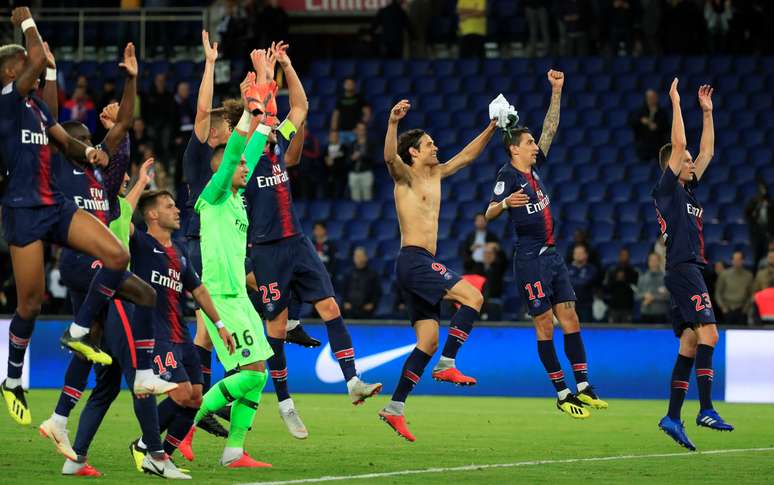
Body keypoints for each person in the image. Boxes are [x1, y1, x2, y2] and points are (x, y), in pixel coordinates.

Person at [1, 8, 131, 426]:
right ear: (9, 71)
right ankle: (14, 376)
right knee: (30, 302)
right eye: (25, 65)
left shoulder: (36, 108)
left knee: (117, 256)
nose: (33, 68)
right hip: (22, 209)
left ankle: (77, 330)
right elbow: (36, 56)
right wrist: (26, 22)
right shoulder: (6, 103)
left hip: (55, 205)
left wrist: (89, 152)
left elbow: (63, 139)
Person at [243, 43, 381, 440]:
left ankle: (352, 380)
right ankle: (285, 402)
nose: (272, 126)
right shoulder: (249, 155)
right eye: (266, 123)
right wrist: (265, 81)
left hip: (297, 241)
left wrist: (286, 65)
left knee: (330, 305)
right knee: (279, 324)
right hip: (267, 248)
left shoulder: (276, 147)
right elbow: (260, 117)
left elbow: (300, 109)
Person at [485, 70, 607, 420]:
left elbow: (550, 129)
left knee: (571, 317)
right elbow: (488, 212)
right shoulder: (507, 176)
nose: (536, 145)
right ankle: (562, 391)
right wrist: (506, 203)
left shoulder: (534, 172)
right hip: (529, 260)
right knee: (545, 325)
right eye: (529, 144)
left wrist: (557, 92)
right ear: (514, 149)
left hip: (553, 258)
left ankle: (583, 386)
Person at [378, 98, 495, 442]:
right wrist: (392, 123)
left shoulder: (437, 173)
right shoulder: (405, 177)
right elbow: (388, 157)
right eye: (429, 144)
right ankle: (448, 364)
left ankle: (395, 408)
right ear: (413, 153)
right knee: (473, 296)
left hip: (420, 262)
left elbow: (468, 156)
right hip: (414, 260)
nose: (436, 147)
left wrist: (490, 127)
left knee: (427, 341)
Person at [182, 78, 275, 468]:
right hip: (220, 295)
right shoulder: (215, 194)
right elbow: (239, 147)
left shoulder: (237, 199)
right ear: (221, 170)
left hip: (239, 297)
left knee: (258, 373)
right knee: (252, 374)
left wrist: (267, 100)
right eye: (237, 165)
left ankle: (234, 451)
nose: (244, 167)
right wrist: (251, 108)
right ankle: (183, 428)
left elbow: (253, 148)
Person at [128, 190, 235, 473]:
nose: (177, 210)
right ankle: (151, 452)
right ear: (152, 214)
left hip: (182, 334)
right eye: (169, 206)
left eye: (175, 205)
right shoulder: (140, 242)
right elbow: (121, 217)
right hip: (155, 335)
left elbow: (198, 289)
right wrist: (137, 184)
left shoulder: (179, 250)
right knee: (181, 393)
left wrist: (220, 325)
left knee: (196, 398)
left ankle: (157, 453)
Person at [654, 79, 733, 452]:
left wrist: (707, 113)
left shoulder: (686, 190)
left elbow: (707, 151)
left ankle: (672, 416)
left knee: (689, 342)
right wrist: (675, 102)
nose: (690, 163)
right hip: (684, 268)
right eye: (683, 162)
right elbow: (684, 146)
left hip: (687, 270)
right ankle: (705, 408)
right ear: (672, 165)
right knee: (711, 335)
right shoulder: (666, 190)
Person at [630, 89, 670, 163]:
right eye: (650, 98)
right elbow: (632, 122)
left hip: (658, 144)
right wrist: (642, 121)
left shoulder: (662, 113)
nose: (652, 100)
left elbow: (667, 127)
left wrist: (657, 127)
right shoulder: (640, 112)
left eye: (654, 97)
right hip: (643, 144)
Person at [714, 250, 753, 325]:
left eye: (739, 259)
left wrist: (746, 308)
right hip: (727, 309)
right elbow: (718, 293)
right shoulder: (724, 275)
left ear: (743, 261)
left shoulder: (749, 276)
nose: (736, 261)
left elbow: (751, 294)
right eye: (735, 259)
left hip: (742, 310)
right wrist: (723, 307)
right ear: (731, 260)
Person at [342, 247, 382, 319]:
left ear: (366, 258)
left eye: (360, 256)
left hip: (365, 310)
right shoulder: (348, 273)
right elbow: (343, 290)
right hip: (349, 309)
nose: (358, 258)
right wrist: (345, 302)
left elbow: (377, 292)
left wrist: (372, 304)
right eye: (356, 256)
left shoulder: (373, 274)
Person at [330, 77, 371, 146]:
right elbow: (335, 115)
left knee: (355, 151)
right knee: (341, 153)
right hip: (342, 131)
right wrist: (334, 130)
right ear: (344, 85)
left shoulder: (359, 98)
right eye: (347, 83)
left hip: (355, 131)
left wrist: (362, 124)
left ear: (354, 85)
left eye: (351, 83)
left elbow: (367, 113)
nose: (349, 85)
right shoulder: (340, 99)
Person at [603, 248, 639, 323]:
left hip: (627, 307)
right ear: (619, 256)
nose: (623, 257)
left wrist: (624, 281)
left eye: (625, 255)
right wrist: (617, 280)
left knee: (627, 331)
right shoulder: (612, 271)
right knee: (613, 332)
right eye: (622, 255)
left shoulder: (633, 272)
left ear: (629, 257)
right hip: (614, 307)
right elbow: (607, 288)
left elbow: (635, 289)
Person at [745, 180, 772, 268]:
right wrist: (756, 204)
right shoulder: (753, 202)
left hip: (768, 235)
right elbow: (747, 214)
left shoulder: (771, 203)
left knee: (768, 257)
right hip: (756, 235)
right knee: (756, 257)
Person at [636, 252, 670, 323]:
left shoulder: (666, 278)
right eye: (651, 260)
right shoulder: (642, 278)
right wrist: (644, 295)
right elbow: (636, 296)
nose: (653, 263)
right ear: (648, 262)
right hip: (645, 314)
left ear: (659, 262)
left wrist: (653, 297)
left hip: (661, 315)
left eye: (655, 260)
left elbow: (669, 296)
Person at [568, 243, 597, 323]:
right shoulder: (567, 268)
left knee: (586, 330)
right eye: (576, 253)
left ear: (586, 255)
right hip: (570, 306)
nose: (578, 255)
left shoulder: (591, 269)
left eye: (580, 253)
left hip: (586, 306)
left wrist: (571, 281)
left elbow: (585, 282)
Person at [348, 121, 375, 201]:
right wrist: (352, 158)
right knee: (355, 199)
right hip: (353, 173)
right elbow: (347, 160)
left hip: (366, 173)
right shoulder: (352, 144)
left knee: (367, 199)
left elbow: (373, 159)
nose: (360, 131)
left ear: (365, 130)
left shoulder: (370, 144)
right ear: (356, 130)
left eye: (362, 129)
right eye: (359, 129)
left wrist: (361, 156)